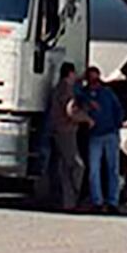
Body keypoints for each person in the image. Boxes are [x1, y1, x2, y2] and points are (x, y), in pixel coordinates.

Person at [78, 65, 126, 213]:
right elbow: (75, 91)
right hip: (95, 135)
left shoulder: (107, 93)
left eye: (96, 78)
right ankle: (97, 201)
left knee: (113, 168)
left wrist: (116, 125)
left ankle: (113, 201)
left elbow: (119, 109)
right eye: (91, 78)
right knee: (94, 169)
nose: (94, 81)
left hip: (110, 133)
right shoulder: (84, 95)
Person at [47, 62, 89, 211]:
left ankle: (67, 202)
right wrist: (87, 119)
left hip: (58, 130)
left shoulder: (58, 88)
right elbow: (71, 111)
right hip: (66, 131)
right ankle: (75, 196)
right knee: (77, 165)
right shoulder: (67, 90)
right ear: (70, 73)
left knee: (64, 167)